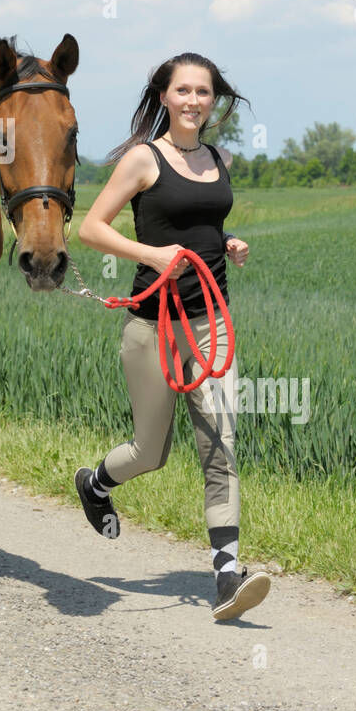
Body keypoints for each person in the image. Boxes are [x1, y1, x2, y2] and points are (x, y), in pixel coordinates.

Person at [75, 52, 271, 622]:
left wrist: (225, 239)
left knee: (220, 446)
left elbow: (197, 220)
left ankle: (226, 576)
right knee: (150, 452)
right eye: (182, 90)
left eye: (203, 92)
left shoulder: (218, 156)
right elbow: (91, 228)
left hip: (211, 324)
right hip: (152, 328)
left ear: (214, 100)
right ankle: (96, 483)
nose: (193, 101)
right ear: (164, 96)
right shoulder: (143, 158)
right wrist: (151, 255)